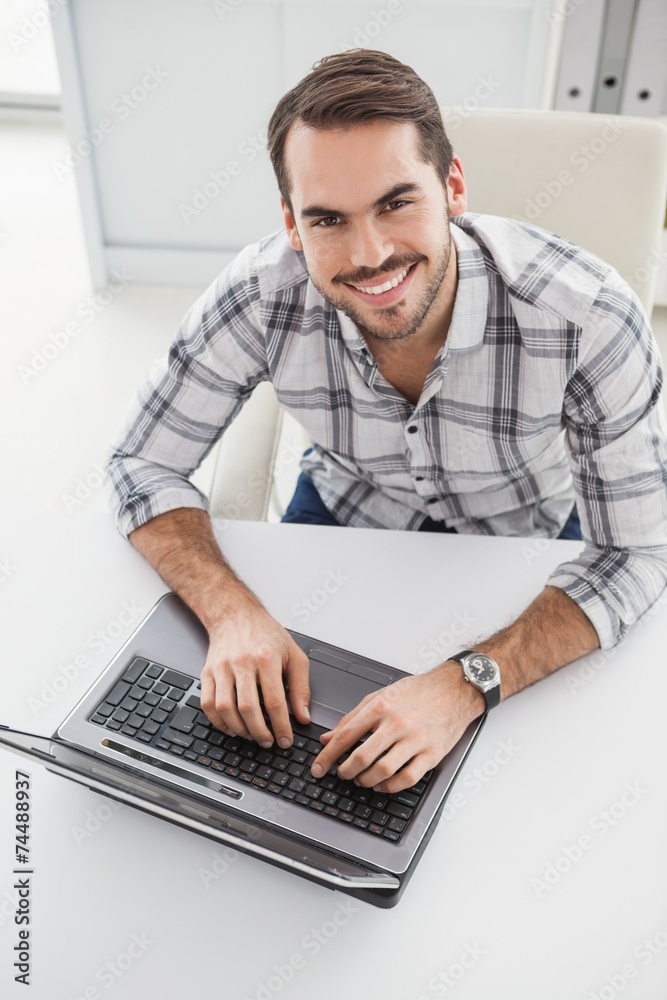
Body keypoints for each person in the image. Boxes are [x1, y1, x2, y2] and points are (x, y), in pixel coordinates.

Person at [105, 49, 667, 796]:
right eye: (328, 219)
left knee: (522, 782)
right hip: (345, 508)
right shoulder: (256, 293)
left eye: (396, 202)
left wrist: (466, 683)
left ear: (452, 187)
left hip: (528, 531)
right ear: (291, 223)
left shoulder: (587, 317)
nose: (369, 256)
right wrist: (231, 612)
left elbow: (635, 555)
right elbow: (140, 465)